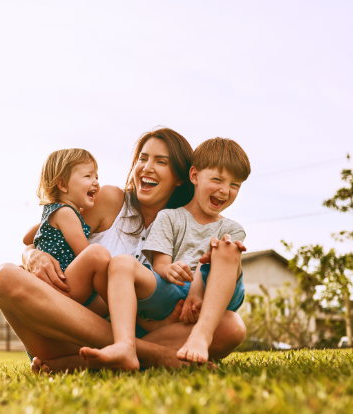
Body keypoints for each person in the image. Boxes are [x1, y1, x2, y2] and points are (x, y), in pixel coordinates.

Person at [0, 128, 247, 373]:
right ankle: (150, 354)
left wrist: (195, 300)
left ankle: (89, 360)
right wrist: (33, 255)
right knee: (3, 276)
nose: (147, 167)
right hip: (65, 330)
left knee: (231, 326)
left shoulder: (188, 226)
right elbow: (47, 230)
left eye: (160, 161)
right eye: (143, 158)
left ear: (181, 178)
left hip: (145, 332)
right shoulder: (110, 200)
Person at [80, 138, 250, 370]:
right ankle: (125, 346)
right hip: (173, 291)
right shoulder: (169, 217)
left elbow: (214, 266)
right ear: (194, 176)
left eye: (234, 185)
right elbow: (160, 263)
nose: (224, 190)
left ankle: (201, 335)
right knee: (121, 263)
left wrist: (198, 292)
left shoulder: (232, 228)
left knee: (226, 249)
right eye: (217, 180)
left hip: (215, 294)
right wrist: (168, 269)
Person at [30, 148, 110, 313]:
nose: (95, 182)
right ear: (63, 185)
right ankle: (121, 306)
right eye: (88, 176)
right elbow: (85, 253)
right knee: (97, 253)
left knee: (107, 306)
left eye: (96, 176)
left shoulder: (51, 211)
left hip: (59, 286)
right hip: (64, 284)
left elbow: (27, 238)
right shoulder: (66, 213)